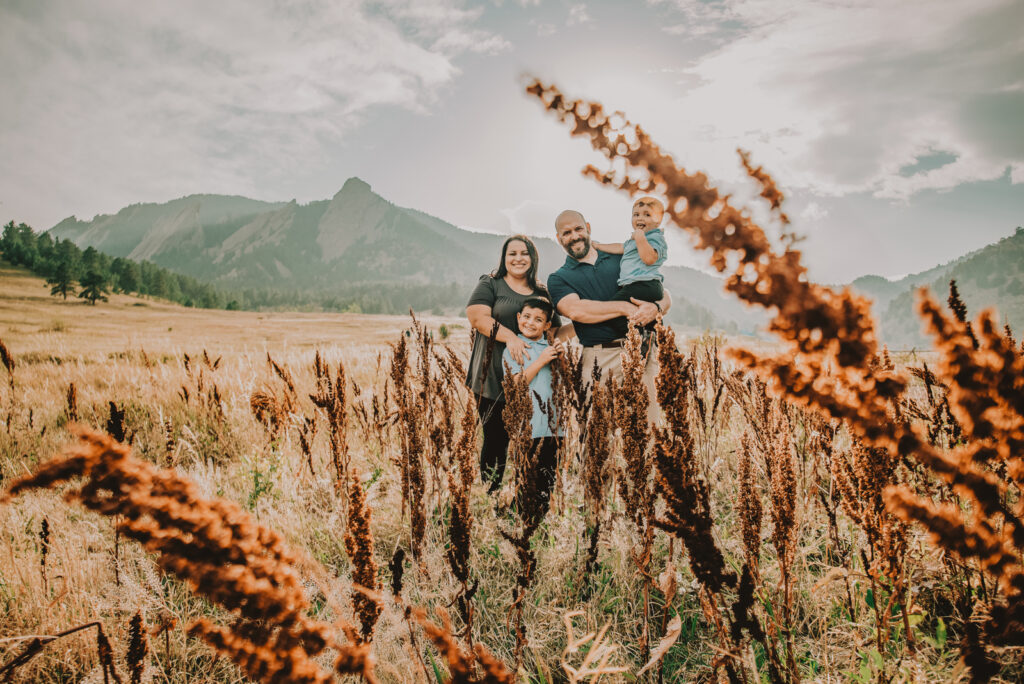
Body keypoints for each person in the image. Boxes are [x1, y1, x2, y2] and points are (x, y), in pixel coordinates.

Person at [465, 235, 570, 492]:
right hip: (492, 375)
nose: (518, 258)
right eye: (512, 253)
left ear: (533, 258)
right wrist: (511, 337)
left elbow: (552, 331)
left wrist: (575, 330)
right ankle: (491, 496)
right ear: (504, 258)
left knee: (534, 441)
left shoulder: (542, 292)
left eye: (524, 253)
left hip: (533, 381)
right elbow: (477, 318)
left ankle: (527, 499)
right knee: (495, 439)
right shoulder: (491, 283)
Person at [546, 209, 670, 424]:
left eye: (578, 229)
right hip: (599, 359)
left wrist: (657, 307)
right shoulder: (559, 278)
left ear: (588, 228)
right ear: (559, 238)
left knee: (649, 432)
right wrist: (624, 308)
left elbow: (660, 290)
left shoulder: (621, 257)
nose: (574, 236)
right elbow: (576, 310)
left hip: (642, 351)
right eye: (567, 233)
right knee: (597, 436)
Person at [501, 296, 564, 520]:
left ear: (547, 325)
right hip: (528, 427)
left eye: (538, 319)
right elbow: (515, 385)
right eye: (526, 317)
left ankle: (537, 524)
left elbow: (564, 381)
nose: (530, 322)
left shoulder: (551, 348)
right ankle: (516, 522)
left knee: (547, 482)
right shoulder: (514, 348)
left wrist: (561, 358)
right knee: (526, 479)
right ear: (519, 318)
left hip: (554, 427)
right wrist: (541, 361)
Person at [593, 197, 667, 337]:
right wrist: (598, 246)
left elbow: (649, 258)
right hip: (637, 285)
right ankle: (655, 338)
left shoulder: (655, 237)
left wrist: (640, 238)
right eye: (636, 214)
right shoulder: (632, 242)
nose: (640, 218)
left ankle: (639, 338)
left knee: (611, 311)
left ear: (658, 220)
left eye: (647, 214)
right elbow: (620, 247)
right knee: (645, 315)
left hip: (644, 284)